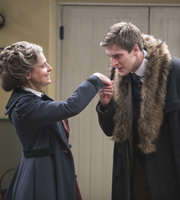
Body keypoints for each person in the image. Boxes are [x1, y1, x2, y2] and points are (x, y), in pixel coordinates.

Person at [0, 41, 112, 200]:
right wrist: (95, 79)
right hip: (41, 177)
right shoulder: (23, 106)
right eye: (43, 65)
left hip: (52, 170)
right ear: (27, 74)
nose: (50, 67)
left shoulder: (32, 100)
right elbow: (70, 107)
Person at [96, 21, 180, 200]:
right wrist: (105, 105)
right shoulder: (118, 74)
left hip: (167, 167)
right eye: (109, 56)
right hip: (132, 166)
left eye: (118, 55)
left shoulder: (174, 71)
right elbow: (111, 129)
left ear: (135, 49)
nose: (113, 63)